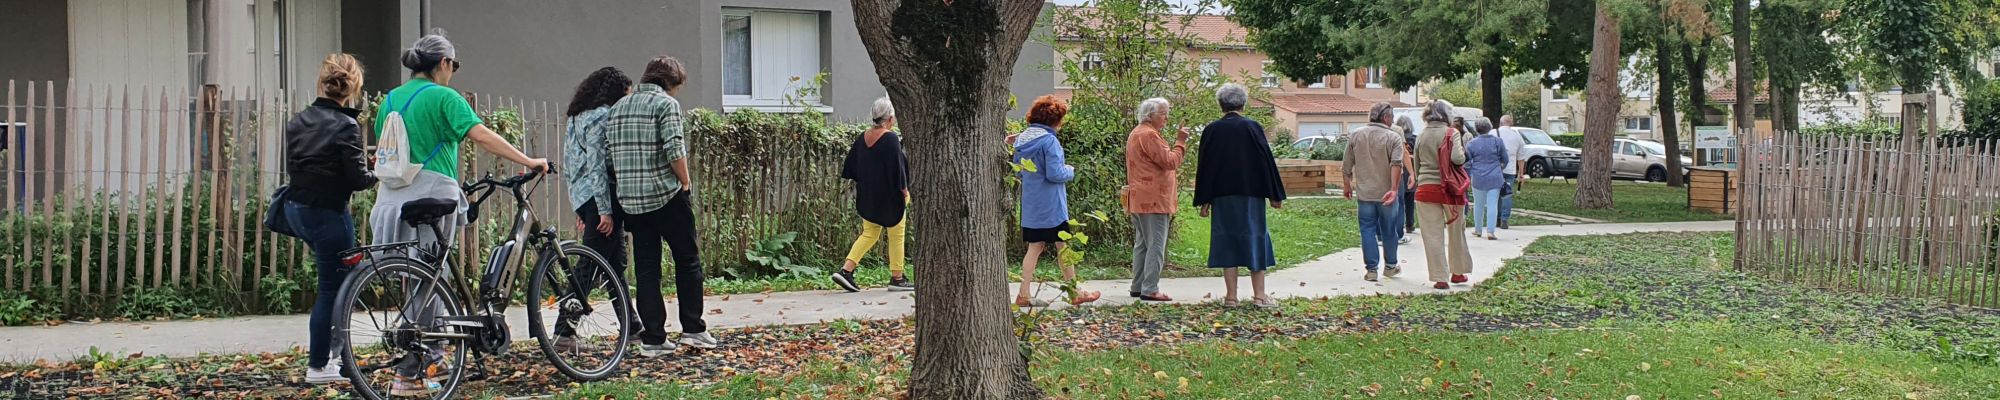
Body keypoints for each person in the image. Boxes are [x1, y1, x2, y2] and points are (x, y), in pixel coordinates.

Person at [369, 32, 551, 396]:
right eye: (454, 66)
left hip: (391, 199)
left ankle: (432, 358)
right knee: (428, 280)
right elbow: (481, 136)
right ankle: (409, 373)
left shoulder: (389, 99)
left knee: (421, 277)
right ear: (444, 64)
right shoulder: (444, 96)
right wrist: (529, 160)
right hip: (432, 194)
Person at [606, 56, 717, 355]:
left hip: (632, 201)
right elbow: (674, 148)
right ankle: (693, 329)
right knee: (688, 260)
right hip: (666, 196)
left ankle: (654, 339)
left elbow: (609, 157)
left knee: (646, 269)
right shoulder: (666, 105)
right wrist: (685, 181)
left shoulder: (617, 108)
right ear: (672, 82)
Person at [283, 53, 375, 385]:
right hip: (328, 215)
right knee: (333, 290)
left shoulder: (296, 120)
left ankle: (332, 356)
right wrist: (375, 170)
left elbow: (301, 166)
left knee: (333, 284)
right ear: (353, 88)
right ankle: (320, 365)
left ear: (323, 83)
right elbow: (356, 181)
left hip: (298, 210)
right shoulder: (346, 125)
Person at [558, 66, 636, 352]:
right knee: (590, 264)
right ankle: (563, 330)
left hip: (584, 196)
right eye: (625, 96)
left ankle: (633, 326)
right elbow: (597, 165)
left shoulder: (576, 117)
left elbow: (571, 164)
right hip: (602, 197)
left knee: (614, 264)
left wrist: (582, 208)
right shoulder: (602, 116)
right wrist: (604, 210)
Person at [1193, 84, 1287, 308]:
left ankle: (1231, 297)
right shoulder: (1252, 127)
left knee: (1227, 241)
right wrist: (1275, 195)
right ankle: (1259, 296)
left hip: (1222, 197)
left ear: (1220, 105)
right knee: (1255, 238)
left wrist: (1204, 200)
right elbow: (1266, 162)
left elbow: (1205, 167)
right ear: (1243, 104)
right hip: (1251, 196)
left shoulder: (1212, 130)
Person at [1012, 95, 1101, 307]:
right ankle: (1074, 291)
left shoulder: (1021, 140)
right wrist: (1070, 170)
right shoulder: (1049, 141)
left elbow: (1019, 172)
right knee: (1063, 245)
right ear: (1055, 120)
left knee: (1035, 246)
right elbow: (1055, 174)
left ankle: (1024, 293)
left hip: (1032, 204)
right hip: (1052, 205)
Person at [831, 97, 915, 293]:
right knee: (896, 234)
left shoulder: (863, 137)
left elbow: (852, 165)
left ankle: (846, 271)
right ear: (890, 119)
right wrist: (905, 191)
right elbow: (898, 169)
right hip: (890, 196)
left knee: (869, 233)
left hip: (868, 195)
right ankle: (897, 277)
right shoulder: (891, 138)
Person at [1123, 98, 1187, 302]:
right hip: (1154, 199)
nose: (1166, 118)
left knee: (1143, 243)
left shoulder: (1136, 132)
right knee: (1156, 244)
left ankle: (1138, 285)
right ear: (1150, 115)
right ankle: (1150, 288)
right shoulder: (1150, 135)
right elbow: (1170, 161)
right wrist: (1180, 142)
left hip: (1139, 197)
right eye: (1163, 113)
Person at [1412, 101, 1472, 290]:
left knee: (1432, 234)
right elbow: (1457, 158)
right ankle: (1458, 272)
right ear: (1446, 115)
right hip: (1450, 189)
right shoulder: (1451, 133)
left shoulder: (1421, 135)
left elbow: (1417, 164)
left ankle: (1440, 277)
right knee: (1456, 231)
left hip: (1426, 188)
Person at [1343, 103, 1405, 282]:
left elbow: (1347, 164)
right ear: (1386, 118)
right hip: (1387, 194)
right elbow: (1396, 164)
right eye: (1392, 118)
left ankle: (1371, 270)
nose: (1392, 121)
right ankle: (1390, 266)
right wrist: (1393, 189)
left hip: (1365, 194)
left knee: (1367, 230)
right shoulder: (1393, 138)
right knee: (1389, 230)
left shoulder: (1356, 134)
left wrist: (1347, 185)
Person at [1466, 118, 1508, 240]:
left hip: (1478, 177)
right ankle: (1490, 231)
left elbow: (1467, 162)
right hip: (1495, 176)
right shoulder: (1498, 141)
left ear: (1476, 129)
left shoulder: (1472, 143)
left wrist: (1472, 170)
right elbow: (1505, 159)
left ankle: (1478, 229)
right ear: (1489, 127)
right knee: (1492, 204)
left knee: (1478, 204)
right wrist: (1500, 167)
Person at [1494, 115, 1526, 228]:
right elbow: (1521, 158)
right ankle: (1504, 219)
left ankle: (1496, 218)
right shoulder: (1517, 137)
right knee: (1507, 194)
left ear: (1500, 123)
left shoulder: (1494, 133)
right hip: (1510, 170)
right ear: (1511, 124)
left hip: (1496, 169)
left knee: (1495, 194)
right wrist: (1521, 174)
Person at [1394, 116, 1419, 245]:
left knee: (1399, 200)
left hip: (1398, 171)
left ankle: (1398, 225)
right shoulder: (1415, 139)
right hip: (1411, 171)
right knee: (1409, 200)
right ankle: (1410, 223)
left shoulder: (1394, 136)